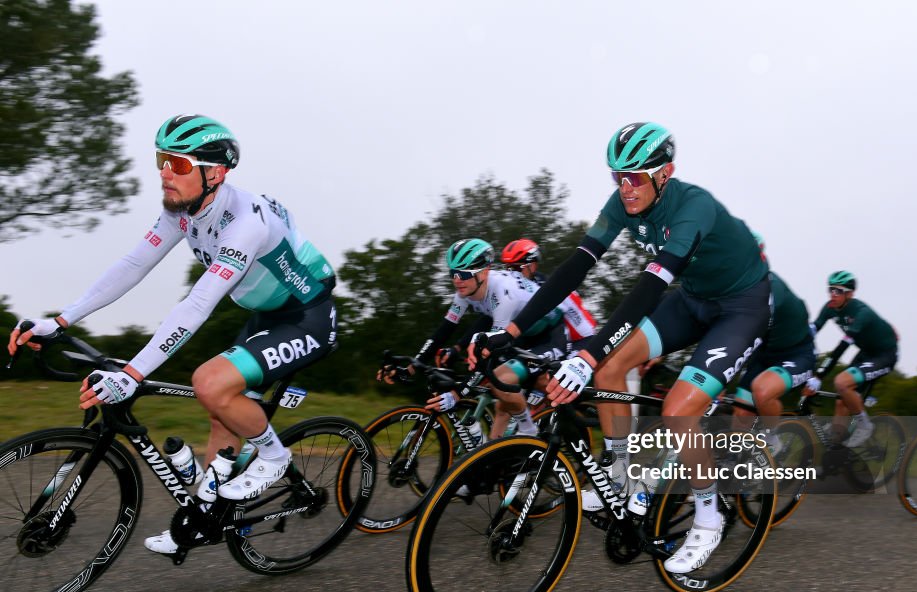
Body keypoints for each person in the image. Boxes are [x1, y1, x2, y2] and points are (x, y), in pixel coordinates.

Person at [7, 114, 338, 554]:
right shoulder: (181, 211)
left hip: (306, 317)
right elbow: (132, 265)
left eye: (179, 165)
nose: (165, 173)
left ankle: (276, 458)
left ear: (214, 172)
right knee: (220, 412)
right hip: (264, 317)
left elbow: (198, 303)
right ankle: (205, 520)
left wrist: (134, 372)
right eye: (162, 160)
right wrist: (61, 320)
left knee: (209, 382)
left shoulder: (246, 222)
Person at [471, 122, 771, 574]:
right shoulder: (622, 205)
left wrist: (586, 353)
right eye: (617, 176)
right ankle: (619, 471)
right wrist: (510, 333)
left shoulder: (694, 208)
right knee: (611, 370)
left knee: (678, 410)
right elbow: (574, 269)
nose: (625, 188)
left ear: (665, 173)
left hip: (740, 309)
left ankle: (710, 517)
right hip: (692, 301)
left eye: (635, 177)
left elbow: (650, 287)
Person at [394, 238, 565, 440]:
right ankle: (495, 457)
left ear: (484, 272)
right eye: (453, 273)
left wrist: (457, 394)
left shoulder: (504, 292)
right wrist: (413, 366)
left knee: (500, 380)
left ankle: (530, 432)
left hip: (548, 337)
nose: (457, 280)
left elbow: (490, 353)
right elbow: (444, 330)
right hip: (519, 334)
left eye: (464, 274)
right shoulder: (465, 290)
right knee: (502, 404)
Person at [730, 233, 816, 452]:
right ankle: (734, 467)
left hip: (796, 355)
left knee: (761, 391)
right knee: (741, 414)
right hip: (765, 354)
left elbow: (746, 334)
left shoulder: (772, 288)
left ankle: (773, 441)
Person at [806, 271, 899, 448]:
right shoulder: (830, 307)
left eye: (838, 291)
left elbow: (842, 347)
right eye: (830, 289)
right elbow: (813, 329)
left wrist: (819, 376)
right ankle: (835, 455)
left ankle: (864, 425)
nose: (832, 294)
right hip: (866, 352)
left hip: (884, 355)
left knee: (841, 382)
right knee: (841, 401)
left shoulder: (861, 312)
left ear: (850, 294)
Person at [500, 238, 599, 355]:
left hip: (581, 341)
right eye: (508, 269)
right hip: (556, 340)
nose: (511, 274)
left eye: (515, 268)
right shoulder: (518, 288)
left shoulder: (543, 286)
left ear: (531, 266)